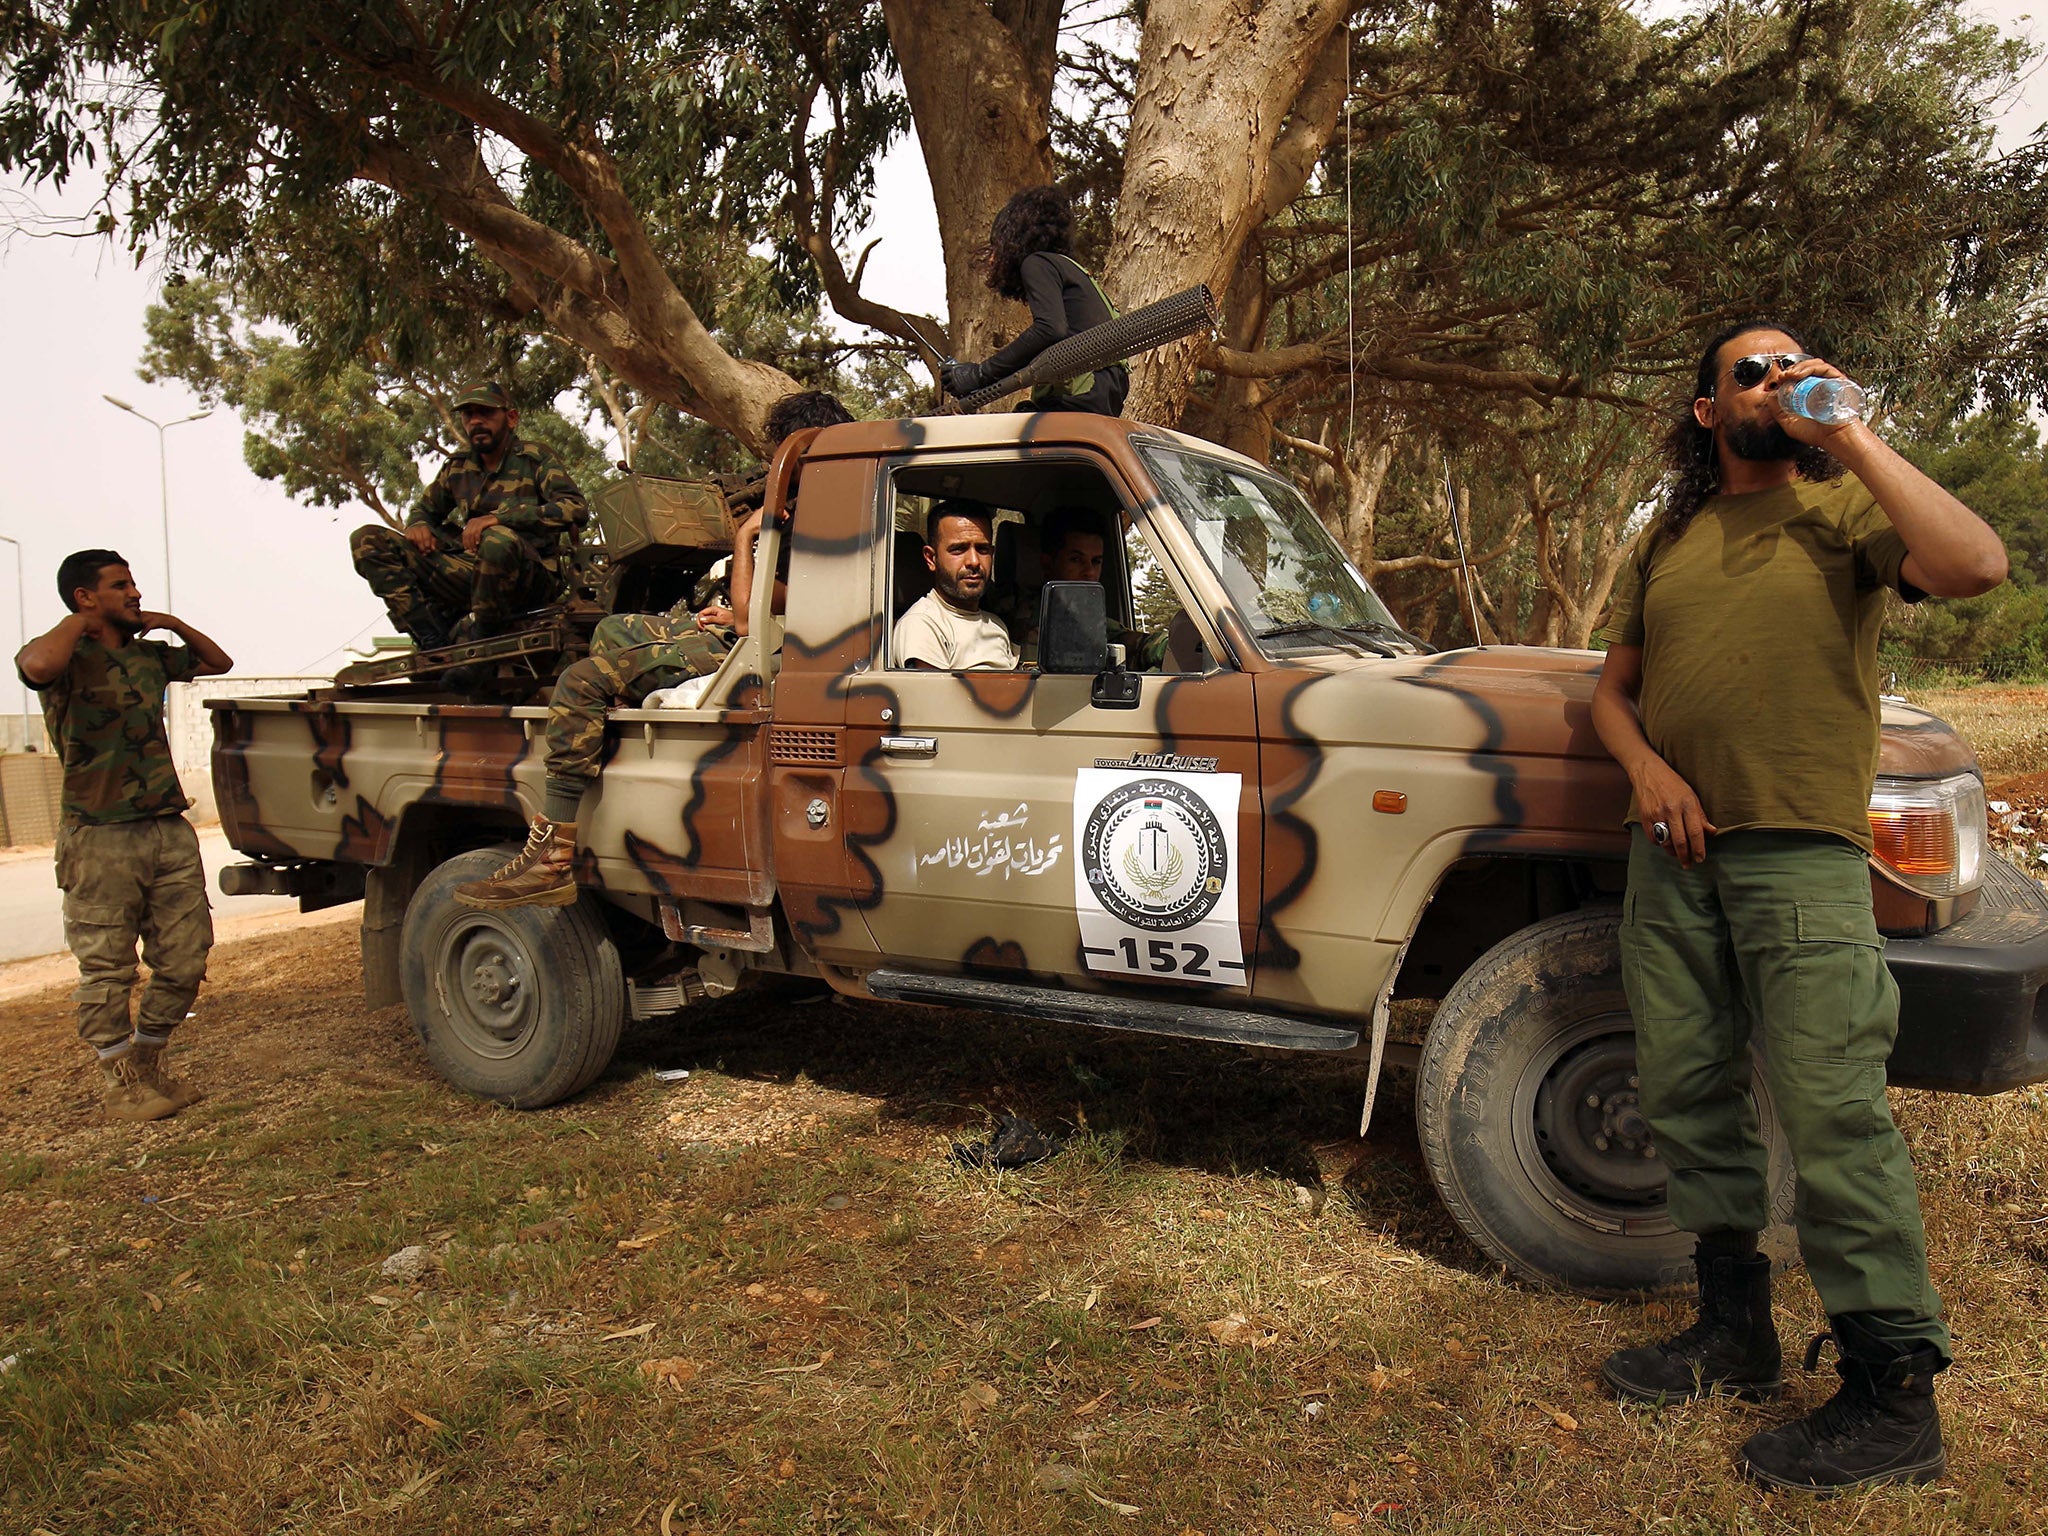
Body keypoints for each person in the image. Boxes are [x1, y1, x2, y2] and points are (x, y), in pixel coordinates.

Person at [1591, 321, 2008, 1492]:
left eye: (1791, 365)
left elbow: (1975, 565)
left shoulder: (1846, 519)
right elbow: (1608, 695)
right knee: (1684, 1094)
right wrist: (1646, 771)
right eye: (1749, 371)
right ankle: (1733, 1332)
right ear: (1705, 409)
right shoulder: (1665, 537)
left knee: (1832, 1117)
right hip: (1670, 858)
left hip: (1802, 861)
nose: (1774, 380)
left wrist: (1849, 432)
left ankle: (1893, 1396)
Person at [456, 390, 852, 909]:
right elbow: (783, 595)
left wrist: (745, 538)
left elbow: (761, 599)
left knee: (582, 679)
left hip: (770, 649)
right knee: (614, 629)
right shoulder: (835, 505)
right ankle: (593, 747)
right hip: (758, 632)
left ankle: (552, 858)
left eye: (780, 454)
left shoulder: (824, 514)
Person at [15, 550, 233, 1122]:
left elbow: (218, 662)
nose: (134, 591)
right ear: (86, 596)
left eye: (133, 581)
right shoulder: (66, 657)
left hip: (165, 827)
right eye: (119, 585)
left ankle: (148, 1060)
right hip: (99, 836)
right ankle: (118, 1083)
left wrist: (172, 623)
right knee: (108, 968)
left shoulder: (147, 656)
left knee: (186, 958)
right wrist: (77, 622)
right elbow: (35, 666)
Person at [349, 381, 589, 650]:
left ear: (510, 418)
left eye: (485, 413)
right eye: (468, 415)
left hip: (529, 578)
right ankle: (430, 635)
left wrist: (500, 518)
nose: (476, 421)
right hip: (473, 573)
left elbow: (575, 508)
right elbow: (424, 510)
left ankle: (483, 636)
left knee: (497, 538)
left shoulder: (534, 458)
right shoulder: (458, 466)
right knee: (368, 540)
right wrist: (418, 524)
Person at [939, 186, 1126, 416]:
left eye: (996, 247)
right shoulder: (1070, 268)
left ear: (1012, 239)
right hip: (1104, 393)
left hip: (1081, 394)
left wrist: (979, 374)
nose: (991, 259)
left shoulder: (1036, 263)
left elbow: (1050, 329)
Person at [988, 505, 1168, 668]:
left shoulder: (1090, 619)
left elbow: (1138, 644)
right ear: (1047, 564)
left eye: (1096, 561)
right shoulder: (1004, 607)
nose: (1089, 572)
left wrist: (1174, 645)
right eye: (1076, 560)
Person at [892, 501, 1020, 670]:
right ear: (931, 558)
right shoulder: (922, 625)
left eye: (983, 549)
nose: (974, 561)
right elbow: (931, 695)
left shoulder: (996, 625)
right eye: (959, 549)